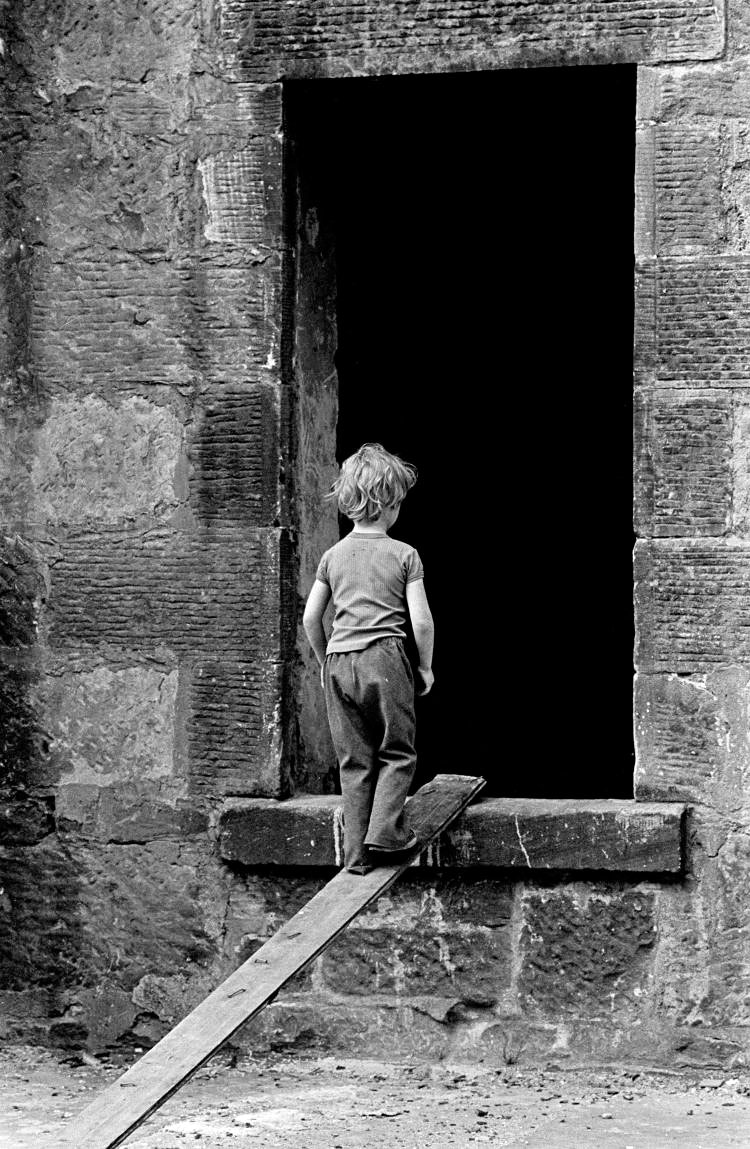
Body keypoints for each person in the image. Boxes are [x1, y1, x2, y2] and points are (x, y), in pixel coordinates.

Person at [303, 443, 434, 874]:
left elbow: (311, 617)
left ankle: (357, 857)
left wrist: (326, 659)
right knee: (397, 751)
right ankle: (386, 833)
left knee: (354, 760)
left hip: (340, 661)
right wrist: (425, 666)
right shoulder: (404, 554)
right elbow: (422, 623)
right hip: (384, 658)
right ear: (392, 504)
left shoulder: (332, 556)